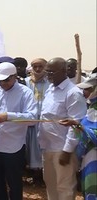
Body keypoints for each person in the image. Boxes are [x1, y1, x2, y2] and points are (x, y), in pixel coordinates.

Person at [0, 62, 37, 200]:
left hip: (14, 147)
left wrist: (8, 116)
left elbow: (33, 118)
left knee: (14, 184)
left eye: (6, 80)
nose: (3, 83)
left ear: (15, 76)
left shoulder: (25, 93)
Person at [38, 57, 87, 200]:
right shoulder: (50, 89)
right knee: (51, 184)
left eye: (52, 72)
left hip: (62, 149)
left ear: (64, 71)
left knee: (64, 187)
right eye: (47, 71)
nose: (48, 75)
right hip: (47, 146)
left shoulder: (73, 93)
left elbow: (76, 123)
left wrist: (67, 150)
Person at [59, 74, 97, 199]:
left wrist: (77, 124)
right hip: (90, 156)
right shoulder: (92, 107)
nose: (84, 92)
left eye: (87, 89)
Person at [24, 58, 50, 183]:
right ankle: (32, 174)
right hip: (28, 120)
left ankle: (42, 176)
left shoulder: (50, 82)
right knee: (29, 146)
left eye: (41, 66)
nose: (38, 69)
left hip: (44, 121)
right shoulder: (25, 82)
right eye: (35, 67)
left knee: (42, 147)